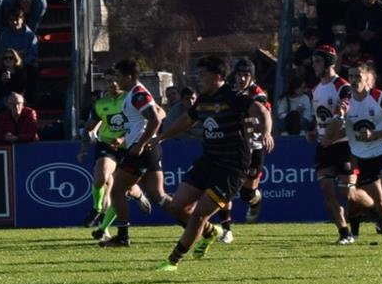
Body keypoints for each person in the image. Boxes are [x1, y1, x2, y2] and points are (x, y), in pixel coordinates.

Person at [154, 56, 274, 271]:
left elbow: (262, 111)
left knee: (199, 213)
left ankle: (172, 261)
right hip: (208, 161)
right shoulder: (203, 100)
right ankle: (210, 232)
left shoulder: (233, 96)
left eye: (203, 75)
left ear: (218, 77)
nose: (198, 79)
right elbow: (186, 121)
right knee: (176, 206)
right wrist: (162, 136)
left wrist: (266, 132)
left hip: (232, 168)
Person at [93, 60, 167, 247]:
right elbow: (137, 124)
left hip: (138, 149)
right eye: (111, 78)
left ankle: (122, 234)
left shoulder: (137, 94)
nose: (114, 81)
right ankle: (195, 224)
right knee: (158, 196)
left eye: (117, 77)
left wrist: (142, 142)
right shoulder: (122, 97)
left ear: (127, 77)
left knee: (117, 188)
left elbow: (158, 116)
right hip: (130, 147)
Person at [340, 62, 382, 245]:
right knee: (378, 202)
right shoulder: (345, 101)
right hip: (362, 157)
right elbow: (338, 126)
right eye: (351, 77)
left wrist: (375, 134)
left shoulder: (381, 98)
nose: (354, 80)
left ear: (367, 80)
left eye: (358, 77)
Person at [304, 44, 356, 244]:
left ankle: (374, 208)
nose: (314, 66)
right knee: (326, 189)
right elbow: (322, 120)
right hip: (324, 145)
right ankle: (344, 233)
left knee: (348, 194)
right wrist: (314, 132)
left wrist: (331, 137)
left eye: (318, 61)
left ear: (328, 63)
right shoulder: (315, 89)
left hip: (343, 145)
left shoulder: (343, 87)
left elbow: (346, 119)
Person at [220, 58, 271, 240]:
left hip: (254, 147)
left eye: (246, 75)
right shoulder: (229, 90)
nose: (242, 79)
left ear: (252, 77)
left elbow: (264, 115)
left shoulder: (258, 94)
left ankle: (255, 198)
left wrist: (265, 132)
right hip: (232, 146)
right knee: (225, 187)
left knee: (246, 194)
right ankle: (227, 230)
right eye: (240, 74)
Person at [78, 75, 128, 231]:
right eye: (108, 81)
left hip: (130, 147)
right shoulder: (100, 103)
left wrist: (123, 138)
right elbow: (88, 129)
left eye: (115, 79)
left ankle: (105, 228)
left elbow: (146, 121)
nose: (113, 83)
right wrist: (84, 149)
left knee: (121, 190)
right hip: (107, 145)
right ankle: (96, 208)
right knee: (101, 178)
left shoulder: (132, 98)